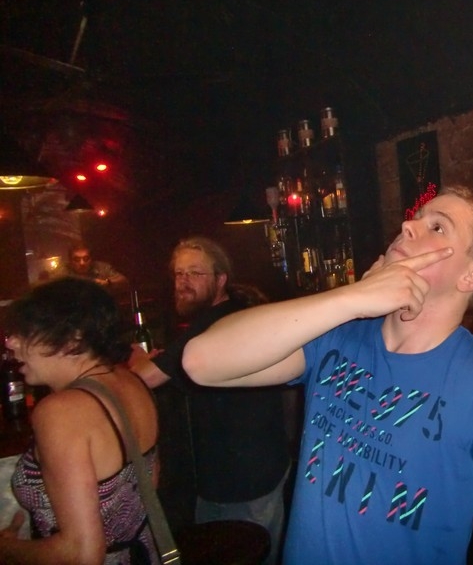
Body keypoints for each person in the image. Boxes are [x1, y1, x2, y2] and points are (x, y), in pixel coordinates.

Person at [181, 185, 473, 565]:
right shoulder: (339, 333)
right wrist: (353, 297)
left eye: (437, 227)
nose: (408, 226)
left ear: (470, 276)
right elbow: (202, 362)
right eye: (416, 218)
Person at [128, 236, 291, 565]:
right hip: (252, 469)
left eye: (195, 273)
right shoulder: (225, 315)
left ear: (220, 280)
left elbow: (145, 378)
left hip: (241, 479)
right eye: (179, 274)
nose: (183, 282)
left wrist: (136, 363)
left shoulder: (214, 321)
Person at [0, 277, 159, 563]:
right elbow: (146, 491)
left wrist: (6, 549)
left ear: (73, 339)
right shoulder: (131, 382)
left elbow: (81, 554)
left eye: (26, 332)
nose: (11, 342)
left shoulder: (60, 412)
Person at [54, 242, 129, 295]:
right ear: (70, 261)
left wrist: (107, 282)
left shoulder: (102, 268)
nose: (82, 263)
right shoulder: (62, 272)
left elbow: (124, 281)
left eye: (86, 258)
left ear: (91, 259)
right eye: (76, 259)